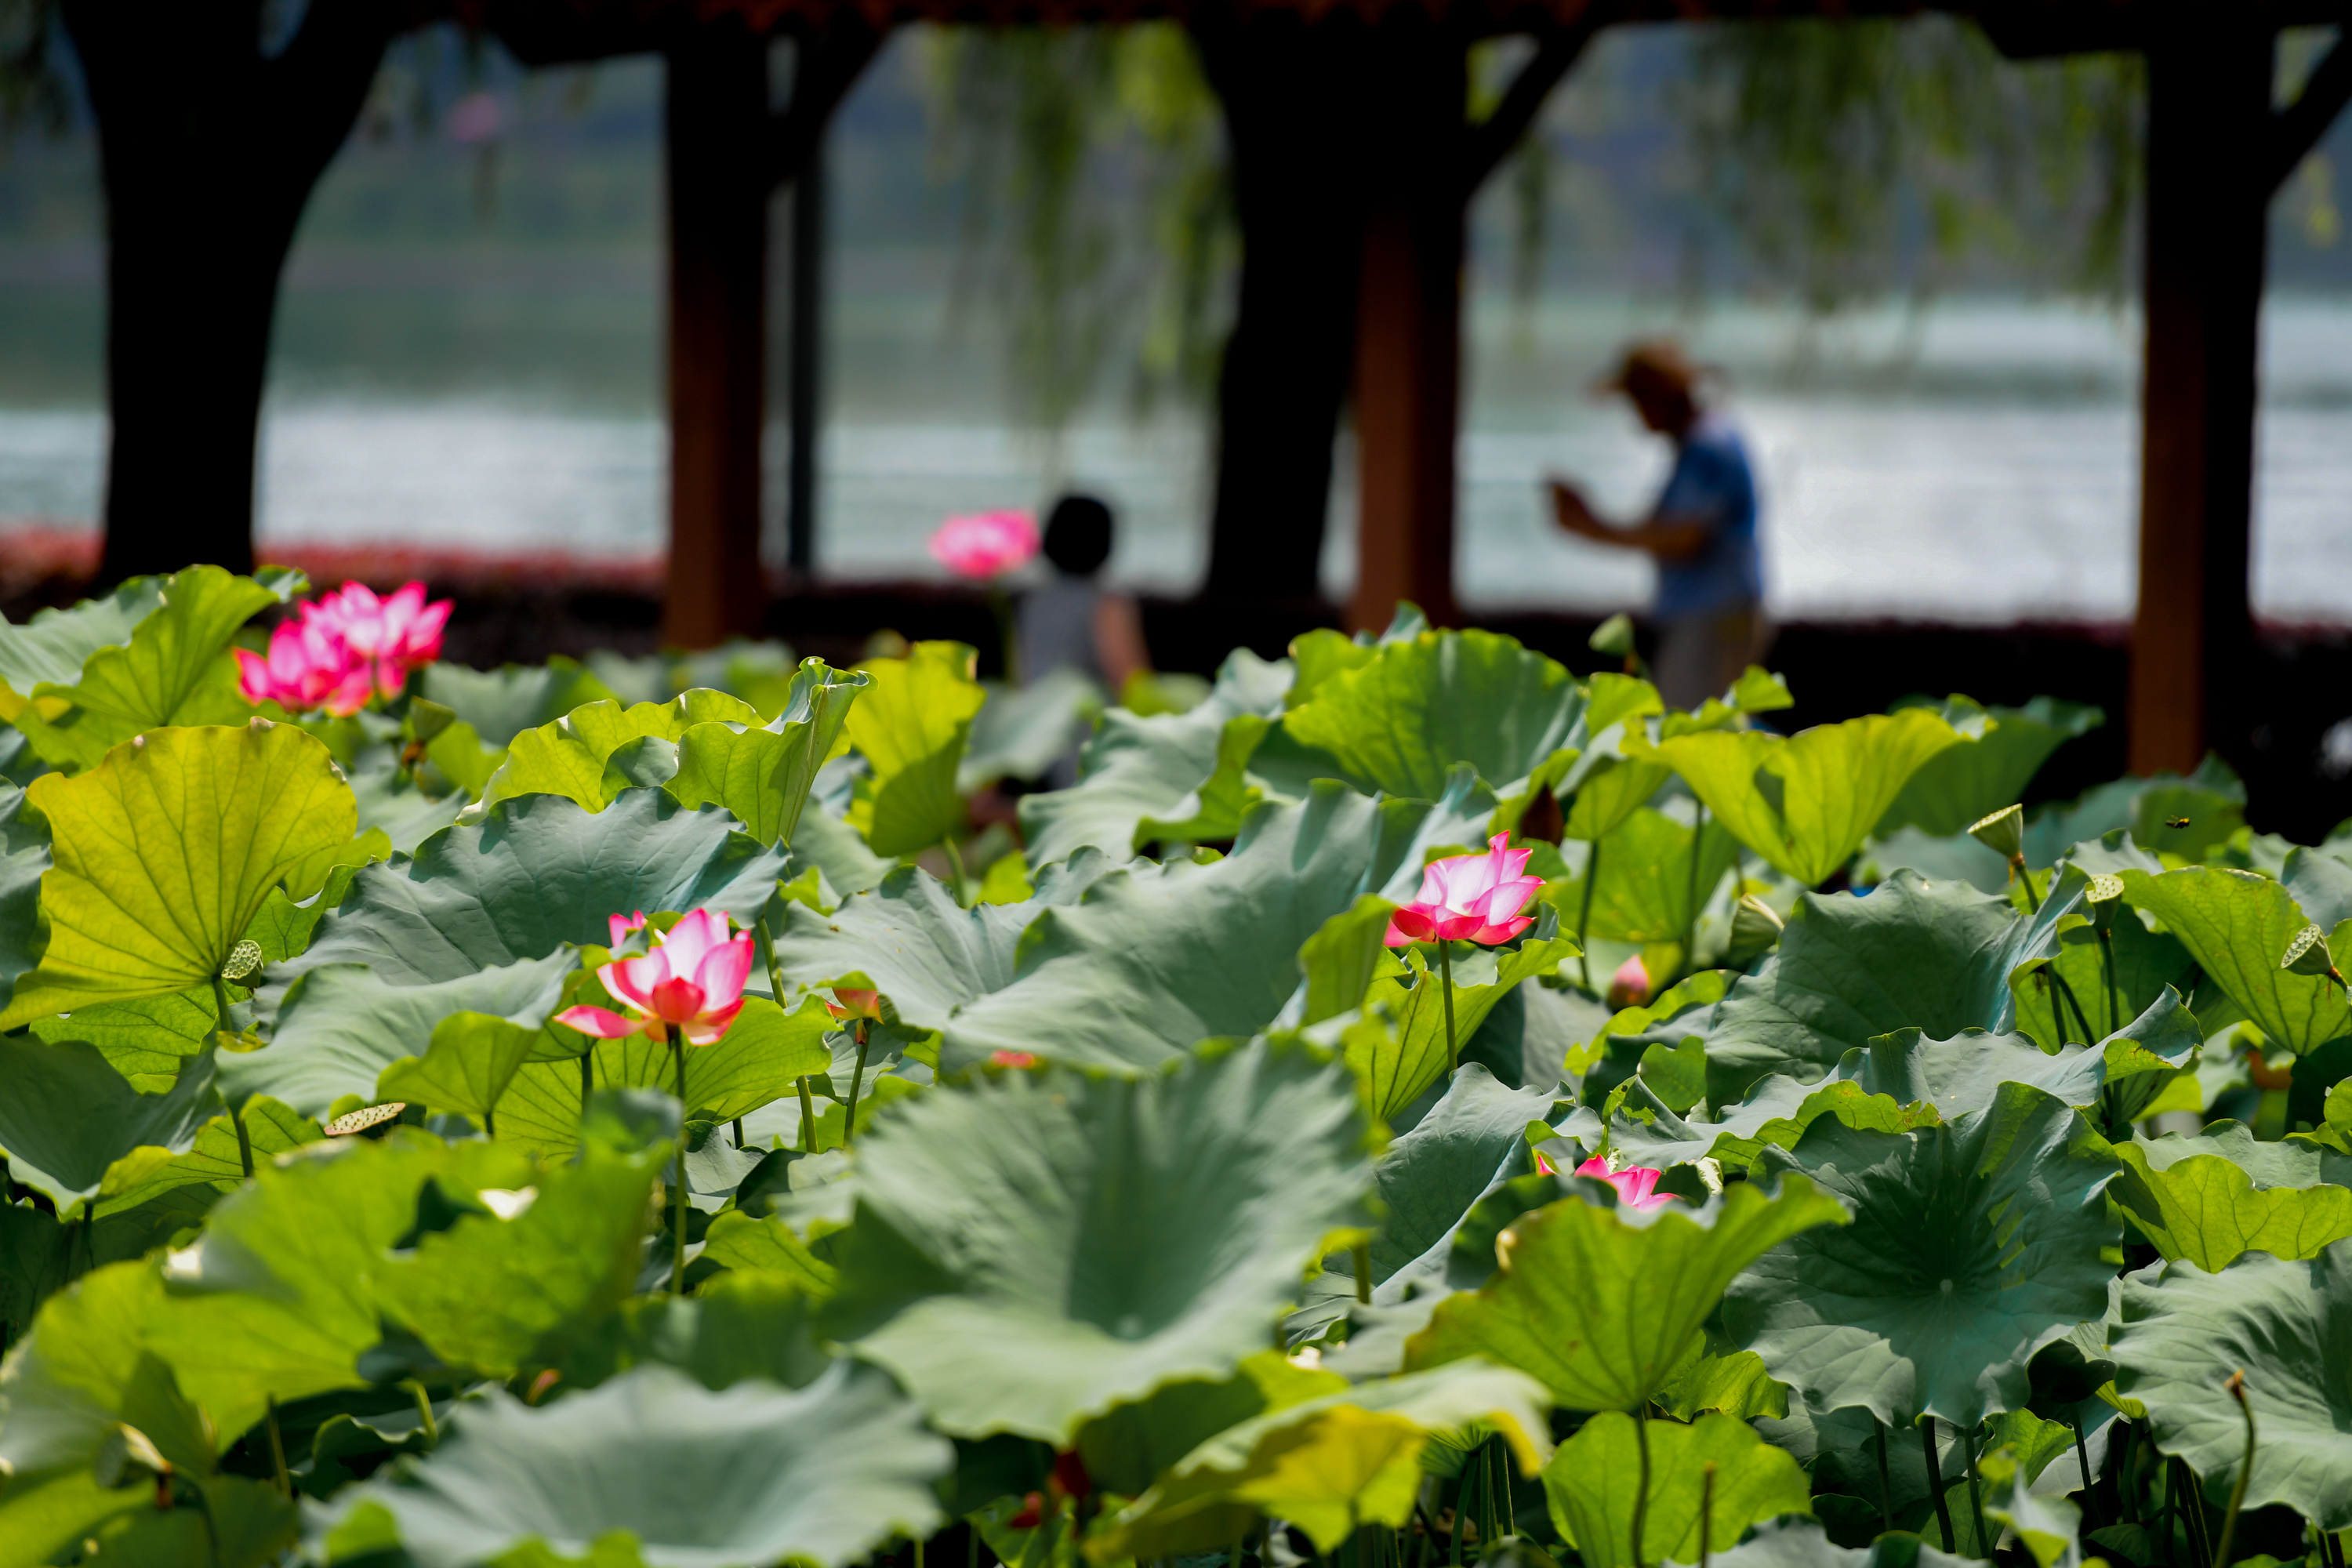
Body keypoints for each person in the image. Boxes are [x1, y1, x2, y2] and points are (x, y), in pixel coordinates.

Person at [1546, 339, 1768, 710]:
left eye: (1637, 402)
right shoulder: (1703, 443)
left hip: (1715, 617)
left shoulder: (1708, 449)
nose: (1635, 414)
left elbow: (1683, 540)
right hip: (1709, 616)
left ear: (1656, 400)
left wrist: (1592, 527)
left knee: (1691, 738)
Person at [1016, 492, 1151, 694]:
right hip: (1085, 720)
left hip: (1035, 718)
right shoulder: (1109, 606)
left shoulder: (1033, 601)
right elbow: (1133, 684)